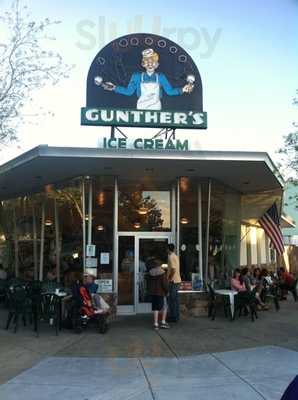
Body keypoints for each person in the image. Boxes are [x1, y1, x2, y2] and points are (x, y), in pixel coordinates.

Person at [101, 48, 194, 110]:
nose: (150, 64)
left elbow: (170, 91)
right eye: (147, 62)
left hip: (156, 107)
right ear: (143, 64)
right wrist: (114, 88)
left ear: (157, 64)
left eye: (153, 62)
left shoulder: (161, 77)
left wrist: (182, 89)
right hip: (141, 106)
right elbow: (128, 91)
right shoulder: (136, 76)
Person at [148, 258, 169, 330]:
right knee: (164, 307)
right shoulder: (162, 273)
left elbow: (149, 283)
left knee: (155, 308)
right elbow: (164, 284)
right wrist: (167, 291)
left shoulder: (150, 272)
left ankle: (155, 324)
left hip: (153, 293)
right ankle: (163, 322)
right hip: (161, 292)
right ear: (160, 265)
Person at [167, 244, 182, 323]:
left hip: (173, 281)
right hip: (177, 280)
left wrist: (169, 278)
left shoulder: (171, 257)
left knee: (172, 300)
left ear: (168, 249)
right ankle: (176, 316)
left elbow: (173, 269)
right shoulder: (175, 256)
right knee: (175, 300)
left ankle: (173, 317)